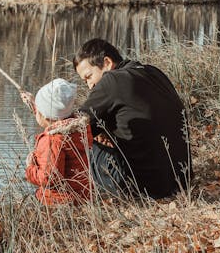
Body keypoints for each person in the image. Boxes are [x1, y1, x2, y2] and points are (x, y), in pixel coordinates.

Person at [73, 38, 192, 200]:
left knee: (79, 143)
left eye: (89, 77)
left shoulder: (111, 80)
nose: (89, 86)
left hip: (144, 187)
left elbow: (74, 126)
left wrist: (43, 116)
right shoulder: (154, 72)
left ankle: (65, 196)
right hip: (181, 181)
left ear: (107, 62)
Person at [24, 78, 93, 206]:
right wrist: (35, 104)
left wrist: (30, 168)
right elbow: (53, 116)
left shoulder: (52, 140)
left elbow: (50, 178)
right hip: (83, 196)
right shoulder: (79, 129)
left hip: (58, 202)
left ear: (45, 116)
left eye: (38, 110)